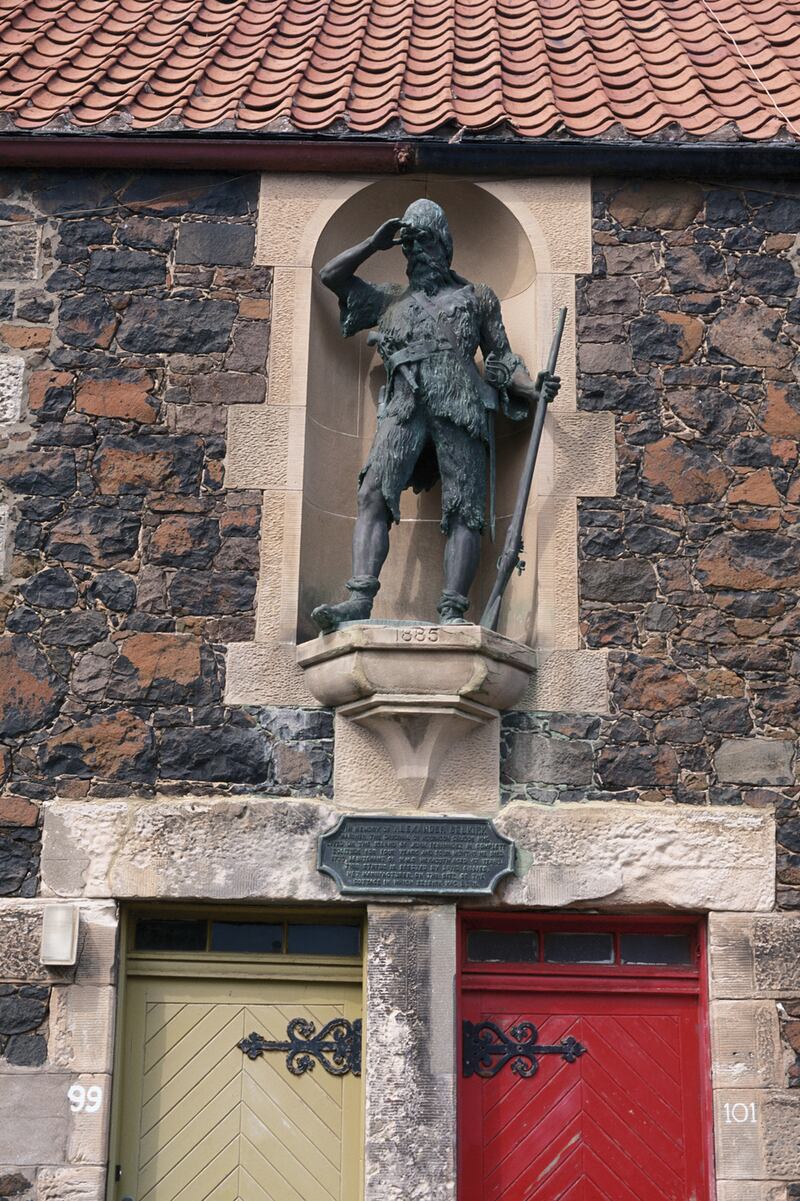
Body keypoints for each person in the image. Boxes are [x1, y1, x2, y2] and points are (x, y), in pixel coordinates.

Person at [311, 198, 560, 632]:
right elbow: (331, 276)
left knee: (467, 510)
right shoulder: (388, 300)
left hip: (461, 408)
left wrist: (533, 389)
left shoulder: (476, 298)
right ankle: (359, 597)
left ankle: (453, 608)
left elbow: (503, 362)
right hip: (405, 407)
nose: (418, 250)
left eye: (426, 239)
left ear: (445, 244)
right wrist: (375, 242)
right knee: (372, 492)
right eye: (410, 243)